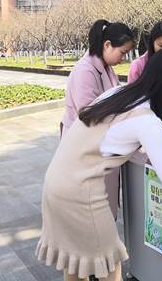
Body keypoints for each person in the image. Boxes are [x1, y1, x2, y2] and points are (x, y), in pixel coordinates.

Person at [37, 51, 162, 281]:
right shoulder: (148, 122)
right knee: (110, 268)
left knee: (76, 264)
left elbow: (113, 139)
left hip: (55, 183)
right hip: (81, 194)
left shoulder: (118, 94)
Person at [61, 19, 134, 223]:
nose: (123, 58)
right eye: (122, 52)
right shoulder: (85, 71)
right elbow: (89, 114)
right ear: (107, 45)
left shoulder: (105, 67)